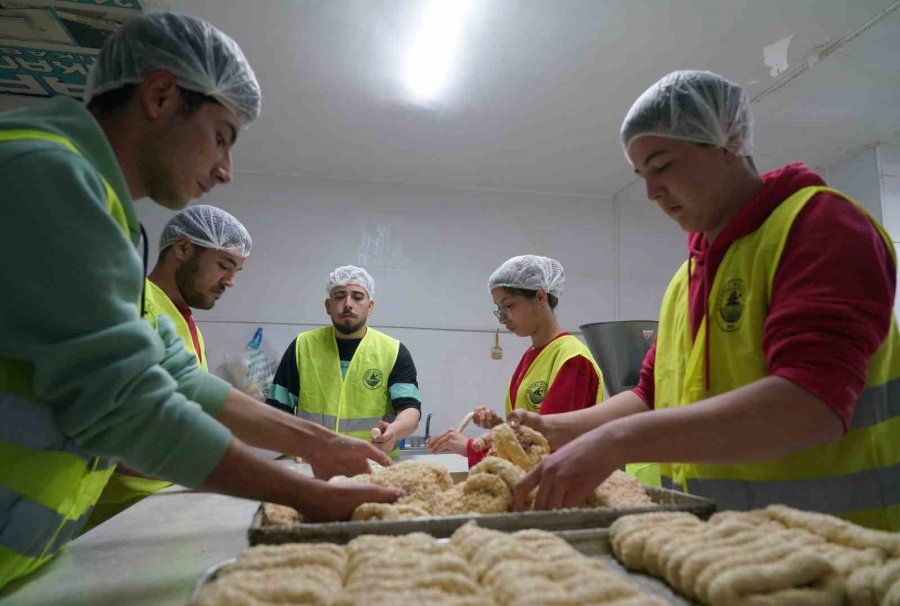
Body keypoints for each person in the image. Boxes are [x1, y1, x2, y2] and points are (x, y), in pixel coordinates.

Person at [0, 12, 399, 589]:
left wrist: (321, 444)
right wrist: (304, 494)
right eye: (221, 137)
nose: (226, 170)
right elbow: (128, 404)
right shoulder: (43, 175)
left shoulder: (96, 208)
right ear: (161, 95)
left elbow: (181, 379)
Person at [510, 70, 900, 531]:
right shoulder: (688, 278)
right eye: (641, 175)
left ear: (727, 144)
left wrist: (617, 442)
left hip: (837, 542)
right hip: (728, 542)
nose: (651, 192)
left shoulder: (818, 228)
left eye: (662, 166)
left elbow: (810, 405)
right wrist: (556, 429)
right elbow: (649, 395)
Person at [87, 205, 254, 530]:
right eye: (224, 265)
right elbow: (108, 431)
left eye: (237, 271)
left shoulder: (186, 324)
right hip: (120, 515)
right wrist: (213, 470)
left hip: (164, 505)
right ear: (183, 248)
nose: (230, 281)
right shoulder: (136, 305)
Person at [426, 255, 605, 468]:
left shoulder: (572, 360)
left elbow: (550, 444)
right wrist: (501, 427)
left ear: (540, 297)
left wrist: (471, 447)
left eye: (508, 306)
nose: (502, 318)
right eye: (499, 310)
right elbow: (533, 431)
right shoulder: (533, 355)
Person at [266, 265, 422, 456]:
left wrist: (393, 432)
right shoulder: (302, 347)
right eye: (339, 296)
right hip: (311, 465)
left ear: (370, 306)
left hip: (374, 465)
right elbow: (276, 413)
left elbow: (410, 410)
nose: (348, 303)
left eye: (357, 297)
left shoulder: (393, 351)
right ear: (328, 306)